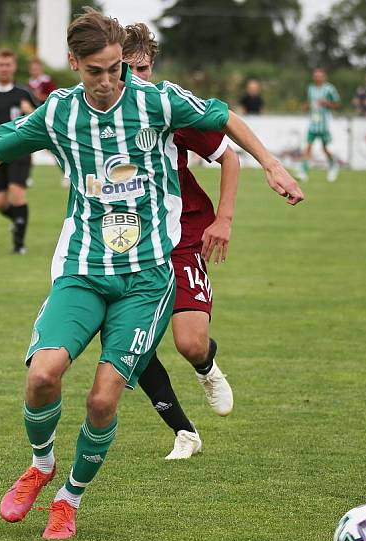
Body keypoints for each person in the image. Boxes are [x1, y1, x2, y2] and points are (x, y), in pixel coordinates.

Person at [0, 7, 303, 541]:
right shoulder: (58, 114)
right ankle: (42, 464)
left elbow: (224, 119)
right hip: (82, 269)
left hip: (145, 279)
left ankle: (68, 498)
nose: (108, 81)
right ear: (74, 63)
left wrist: (273, 164)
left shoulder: (158, 100)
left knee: (102, 398)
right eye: (95, 70)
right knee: (42, 375)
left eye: (116, 68)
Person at [122, 22, 239, 460]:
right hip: (128, 239)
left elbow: (228, 155)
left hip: (185, 231)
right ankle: (184, 432)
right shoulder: (98, 109)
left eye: (144, 68)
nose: (136, 78)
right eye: (126, 69)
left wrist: (223, 219)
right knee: (129, 342)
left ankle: (206, 366)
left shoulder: (169, 106)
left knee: (189, 343)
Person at [0, 48, 38, 254]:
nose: (4, 68)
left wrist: (30, 112)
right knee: (0, 202)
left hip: (19, 151)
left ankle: (19, 245)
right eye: (1, 64)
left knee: (17, 195)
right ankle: (18, 220)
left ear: (14, 67)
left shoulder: (23, 93)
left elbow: (41, 116)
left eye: (8, 64)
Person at [297, 67, 340, 183]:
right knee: (308, 147)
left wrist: (327, 103)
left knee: (325, 148)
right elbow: (310, 103)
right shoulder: (310, 88)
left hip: (324, 124)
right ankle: (303, 172)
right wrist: (305, 106)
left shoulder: (329, 89)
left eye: (320, 75)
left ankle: (333, 166)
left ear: (324, 77)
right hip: (313, 124)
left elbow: (337, 104)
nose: (317, 77)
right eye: (316, 75)